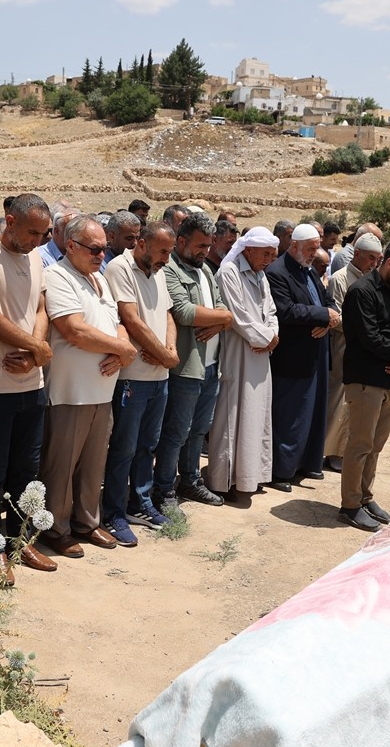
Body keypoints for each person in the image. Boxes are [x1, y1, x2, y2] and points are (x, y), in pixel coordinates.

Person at [0, 194, 58, 575]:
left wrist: (35, 352)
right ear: (10, 220)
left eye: (43, 234)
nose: (37, 241)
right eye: (31, 232)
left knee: (26, 471)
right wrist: (35, 346)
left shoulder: (34, 255)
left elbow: (39, 309)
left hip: (31, 381)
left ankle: (19, 542)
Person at [39, 215, 133, 558]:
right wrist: (121, 349)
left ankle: (86, 522)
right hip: (70, 390)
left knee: (94, 464)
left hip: (101, 390)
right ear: (71, 246)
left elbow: (118, 323)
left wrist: (121, 348)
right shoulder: (57, 276)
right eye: (94, 249)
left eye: (104, 249)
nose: (100, 255)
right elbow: (73, 330)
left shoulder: (100, 278)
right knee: (61, 466)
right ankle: (55, 528)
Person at [100, 220, 177, 546]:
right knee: (124, 449)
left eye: (170, 252)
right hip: (133, 378)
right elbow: (129, 318)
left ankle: (140, 502)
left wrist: (170, 352)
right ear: (142, 244)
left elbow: (169, 315)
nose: (167, 259)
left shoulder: (157, 271)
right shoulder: (120, 268)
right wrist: (163, 354)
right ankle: (114, 512)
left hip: (159, 377)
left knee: (147, 446)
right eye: (162, 251)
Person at [340, 241, 390, 532]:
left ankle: (364, 497)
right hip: (365, 380)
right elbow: (370, 337)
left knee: (375, 445)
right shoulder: (361, 292)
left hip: (389, 380)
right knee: (360, 444)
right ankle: (350, 506)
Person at [153, 215, 231, 510]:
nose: (205, 252)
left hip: (210, 365)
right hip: (187, 366)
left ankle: (190, 481)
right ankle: (164, 491)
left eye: (208, 246)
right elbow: (183, 312)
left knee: (199, 429)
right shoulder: (170, 269)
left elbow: (222, 305)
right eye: (200, 246)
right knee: (176, 432)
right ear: (182, 241)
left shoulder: (206, 271)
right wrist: (224, 319)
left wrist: (222, 319)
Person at [265, 223, 339, 492]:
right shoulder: (278, 272)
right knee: (290, 417)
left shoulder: (308, 272)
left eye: (315, 249)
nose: (313, 254)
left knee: (311, 413)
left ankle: (304, 465)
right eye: (309, 249)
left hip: (315, 353)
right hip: (292, 356)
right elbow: (287, 311)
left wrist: (330, 318)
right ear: (294, 246)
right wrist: (323, 316)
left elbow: (327, 301)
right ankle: (280, 472)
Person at [207, 227, 279, 497]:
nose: (270, 259)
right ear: (248, 250)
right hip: (239, 351)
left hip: (260, 351)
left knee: (256, 415)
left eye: (273, 254)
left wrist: (272, 335)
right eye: (266, 253)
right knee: (234, 414)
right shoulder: (229, 272)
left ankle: (249, 477)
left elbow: (270, 310)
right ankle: (223, 481)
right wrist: (266, 338)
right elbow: (237, 315)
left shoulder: (261, 275)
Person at [323, 235, 382, 471]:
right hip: (343, 348)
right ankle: (331, 452)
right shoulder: (339, 279)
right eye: (370, 258)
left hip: (365, 352)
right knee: (338, 401)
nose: (373, 264)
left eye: (377, 260)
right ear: (357, 254)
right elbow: (335, 317)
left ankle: (347, 451)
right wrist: (365, 327)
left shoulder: (374, 281)